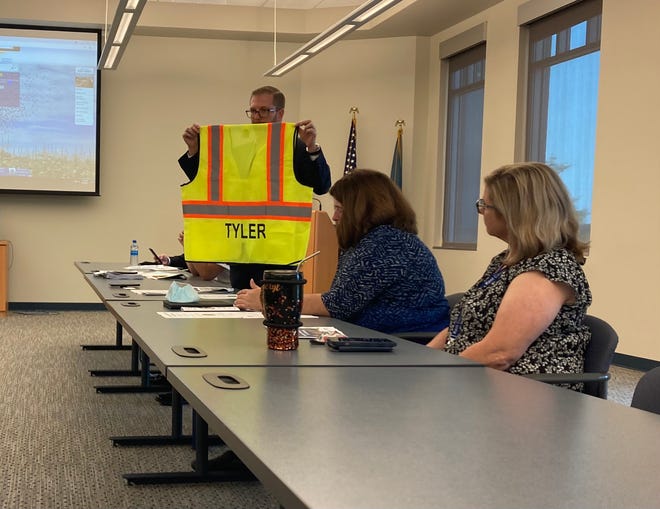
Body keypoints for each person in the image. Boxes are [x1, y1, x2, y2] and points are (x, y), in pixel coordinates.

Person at [427, 162, 592, 386]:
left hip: (525, 395)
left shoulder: (547, 269)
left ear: (514, 213)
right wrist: (423, 363)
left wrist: (437, 376)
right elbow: (463, 326)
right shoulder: (508, 260)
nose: (481, 211)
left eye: (485, 204)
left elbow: (500, 354)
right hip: (477, 380)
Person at [235, 169, 450, 334]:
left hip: (404, 345)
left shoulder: (386, 243)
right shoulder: (373, 240)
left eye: (340, 209)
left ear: (361, 209)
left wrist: (269, 300)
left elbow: (337, 305)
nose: (335, 217)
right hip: (377, 340)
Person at [178, 85, 331, 290]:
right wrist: (194, 150)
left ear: (281, 113)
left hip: (280, 258)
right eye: (253, 111)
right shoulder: (237, 146)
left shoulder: (295, 146)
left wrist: (311, 148)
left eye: (264, 110)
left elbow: (322, 186)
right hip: (241, 253)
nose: (257, 116)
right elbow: (211, 182)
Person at [157, 232, 228, 282]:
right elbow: (195, 272)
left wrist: (190, 247)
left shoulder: (224, 238)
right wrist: (188, 247)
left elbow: (207, 274)